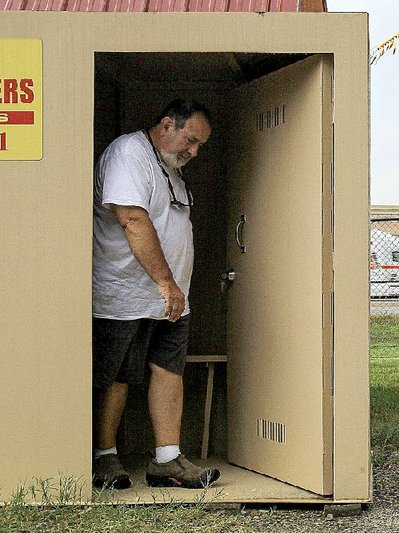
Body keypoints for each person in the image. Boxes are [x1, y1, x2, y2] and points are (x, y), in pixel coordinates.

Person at [91, 99, 220, 490]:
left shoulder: (170, 167)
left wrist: (173, 290)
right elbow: (131, 218)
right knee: (115, 377)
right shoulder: (129, 154)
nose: (194, 151)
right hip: (124, 296)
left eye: (199, 145)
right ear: (167, 125)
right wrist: (166, 283)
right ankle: (104, 458)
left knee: (168, 371)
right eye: (190, 140)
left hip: (170, 301)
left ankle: (167, 460)